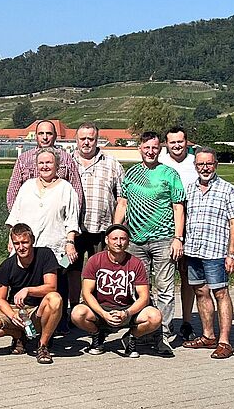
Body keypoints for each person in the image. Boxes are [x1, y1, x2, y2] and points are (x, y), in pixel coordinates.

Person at [113, 131, 185, 357]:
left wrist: (178, 238)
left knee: (165, 289)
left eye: (155, 148)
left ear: (160, 149)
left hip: (163, 239)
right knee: (140, 290)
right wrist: (116, 233)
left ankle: (163, 335)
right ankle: (145, 330)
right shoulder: (131, 174)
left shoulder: (169, 174)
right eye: (147, 147)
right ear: (140, 148)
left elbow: (178, 208)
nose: (151, 151)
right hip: (135, 240)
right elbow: (122, 204)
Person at [181, 147, 234, 360]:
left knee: (220, 293)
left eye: (209, 164)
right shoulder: (189, 189)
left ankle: (225, 341)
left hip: (216, 251)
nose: (205, 168)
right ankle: (208, 335)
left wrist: (232, 254)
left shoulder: (227, 189)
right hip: (193, 250)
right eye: (201, 164)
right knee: (200, 291)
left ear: (216, 164)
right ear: (195, 166)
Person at [0, 224, 64, 364]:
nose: (21, 247)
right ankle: (17, 334)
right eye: (17, 243)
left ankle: (42, 345)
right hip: (16, 309)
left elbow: (52, 287)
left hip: (38, 310)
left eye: (25, 242)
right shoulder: (7, 265)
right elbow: (0, 298)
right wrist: (12, 315)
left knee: (55, 299)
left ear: (32, 240)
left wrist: (28, 290)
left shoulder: (45, 255)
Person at [70, 225, 162, 358]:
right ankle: (97, 335)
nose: (119, 243)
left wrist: (126, 313)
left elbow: (144, 297)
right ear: (107, 240)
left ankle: (131, 337)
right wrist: (103, 313)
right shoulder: (94, 260)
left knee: (155, 317)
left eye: (123, 239)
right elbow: (86, 293)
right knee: (77, 314)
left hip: (128, 308)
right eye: (115, 239)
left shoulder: (136, 263)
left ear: (128, 241)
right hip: (100, 308)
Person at [68, 121, 124, 324]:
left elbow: (122, 198)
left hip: (101, 227)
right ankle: (73, 309)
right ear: (76, 140)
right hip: (73, 229)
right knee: (71, 270)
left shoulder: (111, 163)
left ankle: (99, 311)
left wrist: (115, 228)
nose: (86, 143)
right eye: (82, 138)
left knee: (100, 272)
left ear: (96, 139)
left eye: (90, 139)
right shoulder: (67, 162)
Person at [159, 126, 199, 342]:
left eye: (180, 142)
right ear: (166, 143)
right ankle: (161, 322)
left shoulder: (194, 164)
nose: (176, 145)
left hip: (191, 227)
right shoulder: (161, 162)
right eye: (172, 142)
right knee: (163, 279)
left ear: (186, 142)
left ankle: (186, 321)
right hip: (164, 229)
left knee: (187, 276)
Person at [6, 148, 80, 263]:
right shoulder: (27, 186)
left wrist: (70, 243)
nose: (45, 166)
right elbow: (15, 216)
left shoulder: (66, 188)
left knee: (56, 277)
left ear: (57, 165)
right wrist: (11, 239)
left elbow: (72, 220)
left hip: (54, 249)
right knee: (21, 278)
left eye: (49, 162)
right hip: (25, 247)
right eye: (41, 163)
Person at [5, 120, 83, 212]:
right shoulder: (23, 159)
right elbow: (13, 192)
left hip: (57, 217)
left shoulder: (66, 159)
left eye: (49, 133)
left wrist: (72, 216)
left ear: (55, 136)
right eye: (41, 133)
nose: (45, 137)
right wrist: (16, 220)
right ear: (36, 136)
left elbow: (76, 190)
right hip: (29, 216)